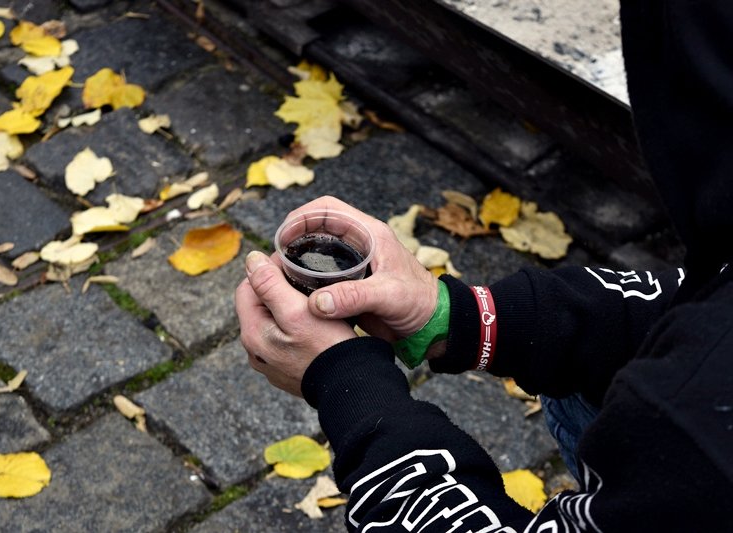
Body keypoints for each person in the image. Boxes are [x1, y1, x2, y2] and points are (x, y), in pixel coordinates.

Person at [235, 0, 733, 530]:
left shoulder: (698, 426)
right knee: (574, 389)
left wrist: (346, 384)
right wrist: (458, 315)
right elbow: (690, 297)